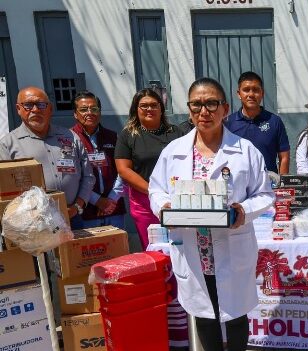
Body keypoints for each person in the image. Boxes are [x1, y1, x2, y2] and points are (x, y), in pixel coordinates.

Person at [149, 78, 274, 351]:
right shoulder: (173, 152)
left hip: (231, 244)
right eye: (196, 104)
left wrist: (242, 211)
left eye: (211, 104)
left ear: (225, 108)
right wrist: (164, 207)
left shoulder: (245, 151)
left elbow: (265, 194)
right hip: (193, 247)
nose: (204, 111)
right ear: (189, 109)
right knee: (203, 310)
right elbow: (156, 189)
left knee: (234, 311)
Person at [0, 86, 94, 229]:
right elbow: (5, 191)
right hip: (33, 225)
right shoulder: (8, 144)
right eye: (28, 105)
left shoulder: (70, 137)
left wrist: (77, 206)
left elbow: (88, 176)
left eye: (41, 104)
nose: (35, 110)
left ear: (50, 108)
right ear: (18, 109)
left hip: (72, 218)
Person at [115, 88, 184, 249]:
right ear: (136, 109)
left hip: (175, 199)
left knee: (179, 247)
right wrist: (153, 191)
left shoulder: (175, 132)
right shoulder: (128, 135)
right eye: (144, 106)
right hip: (144, 202)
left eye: (154, 105)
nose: (149, 109)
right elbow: (124, 170)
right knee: (154, 249)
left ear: (161, 108)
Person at [70, 91, 127, 230]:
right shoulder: (68, 139)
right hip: (85, 211)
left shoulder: (113, 137)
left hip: (114, 209)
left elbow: (123, 170)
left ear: (100, 112)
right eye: (84, 109)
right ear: (75, 114)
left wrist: (112, 199)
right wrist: (97, 200)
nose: (89, 113)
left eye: (94, 109)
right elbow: (71, 178)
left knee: (118, 244)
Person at [225, 71, 290, 174]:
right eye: (246, 90)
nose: (251, 94)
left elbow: (284, 156)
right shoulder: (228, 123)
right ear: (239, 94)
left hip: (268, 182)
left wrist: (282, 182)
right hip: (238, 182)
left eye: (255, 90)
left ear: (262, 93)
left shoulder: (274, 121)